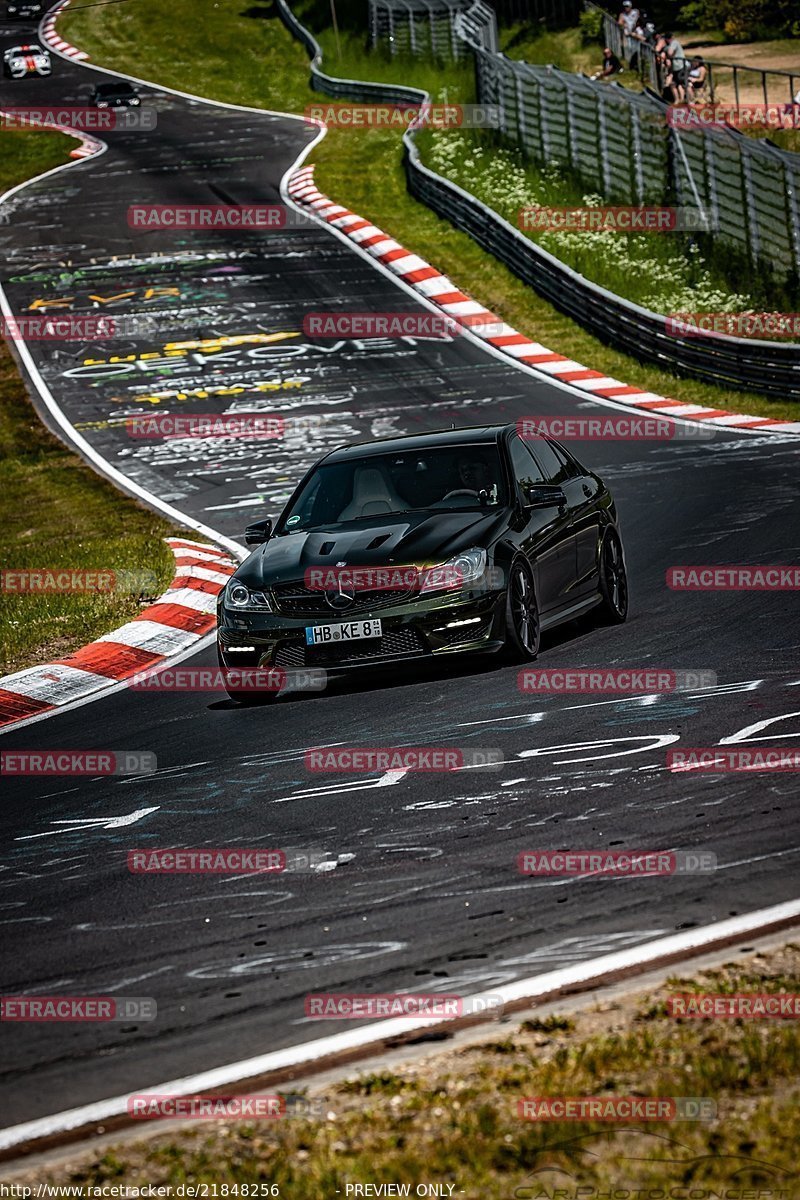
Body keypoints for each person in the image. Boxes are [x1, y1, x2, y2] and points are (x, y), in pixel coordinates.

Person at [663, 31, 688, 103]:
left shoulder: (674, 42)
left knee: (679, 84)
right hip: (675, 67)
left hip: (680, 66)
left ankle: (682, 99)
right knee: (673, 84)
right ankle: (677, 100)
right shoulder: (670, 44)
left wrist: (668, 57)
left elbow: (670, 52)